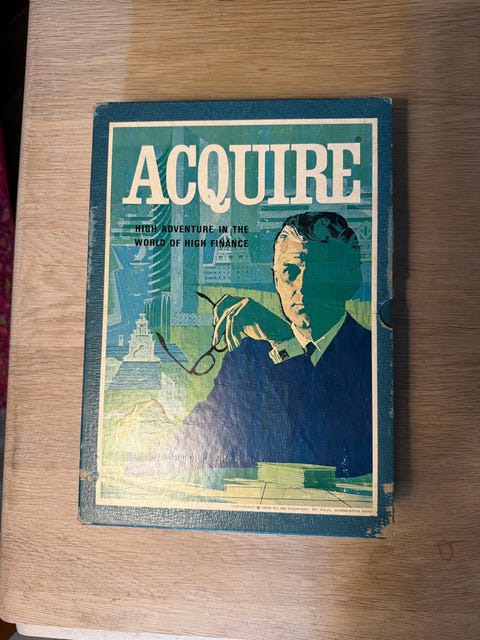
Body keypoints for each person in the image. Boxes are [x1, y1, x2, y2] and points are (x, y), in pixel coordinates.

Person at [162, 212, 372, 478]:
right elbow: (194, 444)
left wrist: (285, 342)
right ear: (276, 281)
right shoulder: (247, 357)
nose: (302, 287)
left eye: (319, 272)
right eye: (290, 272)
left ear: (350, 279)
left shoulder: (372, 357)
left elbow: (327, 462)